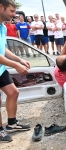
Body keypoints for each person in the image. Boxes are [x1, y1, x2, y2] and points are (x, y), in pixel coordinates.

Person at [0, 0, 31, 142]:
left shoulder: (3, 27)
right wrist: (15, 65)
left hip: (1, 68)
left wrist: (19, 60)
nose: (14, 15)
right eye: (11, 11)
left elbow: (3, 49)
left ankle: (12, 124)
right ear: (1, 7)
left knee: (13, 92)